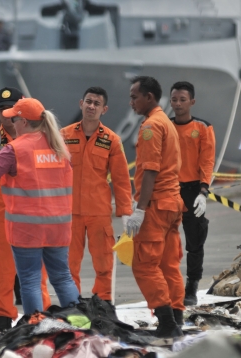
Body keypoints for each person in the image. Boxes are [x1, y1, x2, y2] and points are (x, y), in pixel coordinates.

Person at [0, 98, 80, 314]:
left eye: (14, 118)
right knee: (62, 277)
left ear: (23, 122)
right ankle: (81, 325)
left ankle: (35, 328)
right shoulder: (59, 147)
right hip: (59, 227)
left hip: (27, 229)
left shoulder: (15, 149)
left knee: (29, 280)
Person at [0, 88, 51, 330]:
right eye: (3, 109)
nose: (7, 113)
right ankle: (3, 324)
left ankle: (39, 322)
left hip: (34, 218)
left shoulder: (41, 139)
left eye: (12, 108)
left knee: (37, 274)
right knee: (1, 274)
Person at [61, 87, 132, 302]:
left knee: (103, 263)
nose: (91, 106)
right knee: (68, 264)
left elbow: (121, 179)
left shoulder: (112, 140)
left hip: (99, 212)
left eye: (96, 104)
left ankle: (103, 304)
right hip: (69, 212)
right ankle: (71, 303)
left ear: (104, 109)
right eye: (88, 102)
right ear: (81, 103)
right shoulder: (63, 135)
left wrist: (126, 211)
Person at [126, 76, 184, 338]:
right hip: (173, 204)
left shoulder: (151, 126)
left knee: (145, 265)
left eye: (134, 96)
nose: (131, 102)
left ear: (149, 97)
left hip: (157, 206)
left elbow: (149, 170)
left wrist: (140, 209)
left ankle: (167, 322)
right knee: (168, 265)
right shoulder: (167, 123)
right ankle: (177, 316)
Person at [170, 81, 216, 306]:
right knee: (164, 240)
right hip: (168, 189)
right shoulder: (164, 126)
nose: (178, 104)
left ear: (192, 102)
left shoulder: (203, 128)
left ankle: (192, 285)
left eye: (182, 100)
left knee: (195, 241)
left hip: (192, 191)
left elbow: (207, 161)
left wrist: (203, 191)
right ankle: (170, 283)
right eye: (174, 99)